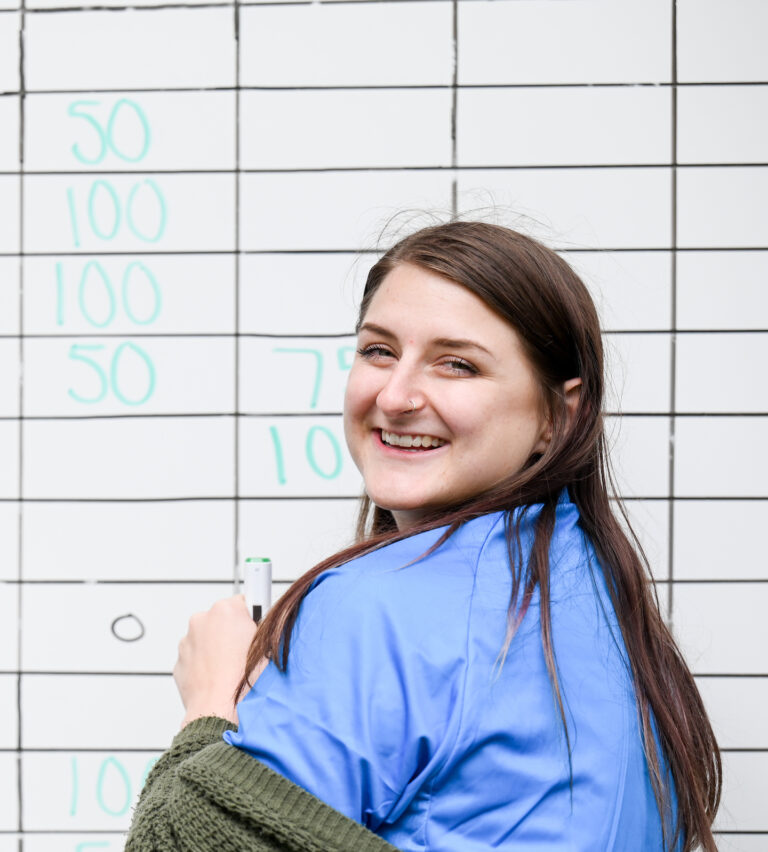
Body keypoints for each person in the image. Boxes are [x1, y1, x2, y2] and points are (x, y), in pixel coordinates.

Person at [126, 221, 722, 851]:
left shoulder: (372, 606)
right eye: (378, 351)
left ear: (558, 415)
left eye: (457, 364)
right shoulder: (608, 598)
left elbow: (179, 843)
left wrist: (210, 706)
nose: (395, 395)